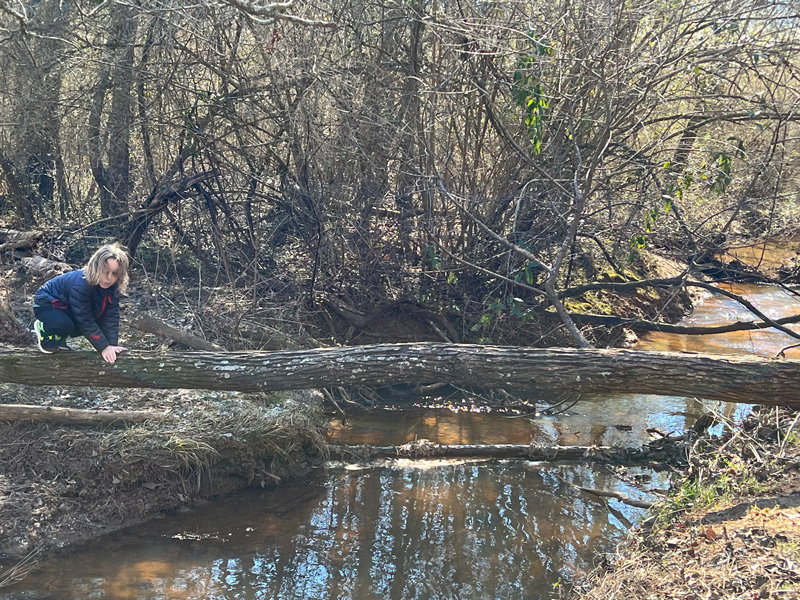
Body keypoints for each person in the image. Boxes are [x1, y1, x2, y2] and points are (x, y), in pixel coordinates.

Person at [32, 242, 130, 364]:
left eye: (114, 273)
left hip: (67, 308)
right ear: (96, 267)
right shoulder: (80, 285)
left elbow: (111, 317)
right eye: (105, 271)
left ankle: (59, 337)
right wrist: (103, 347)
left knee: (94, 322)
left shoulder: (112, 288)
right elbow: (85, 320)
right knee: (66, 324)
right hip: (46, 303)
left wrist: (111, 345)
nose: (109, 278)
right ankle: (44, 329)